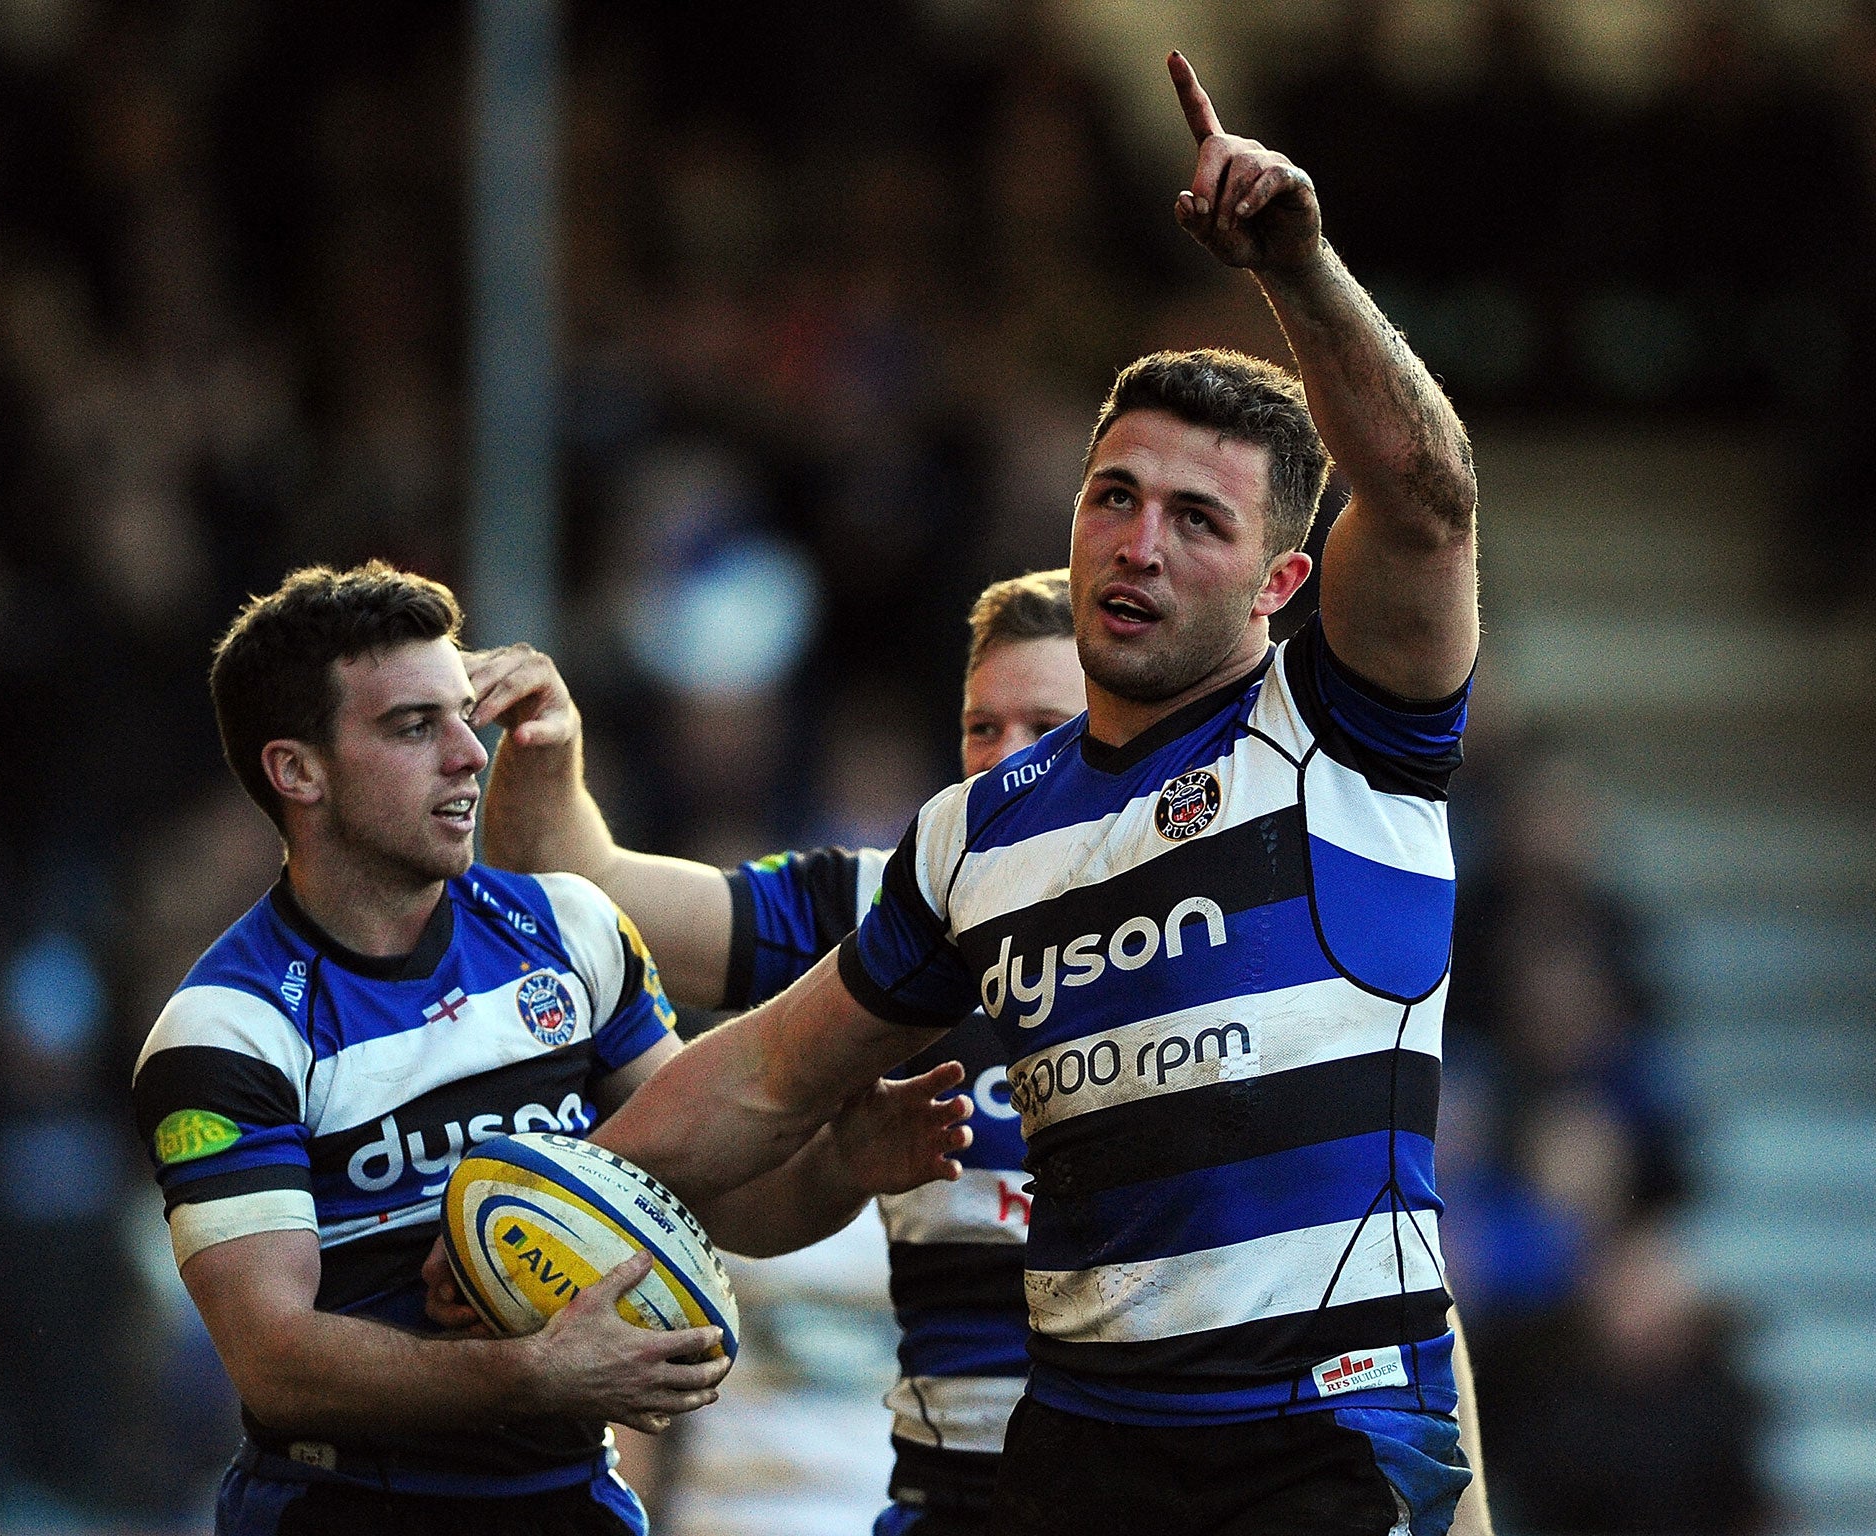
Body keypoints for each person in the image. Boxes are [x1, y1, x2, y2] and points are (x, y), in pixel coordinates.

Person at [582, 54, 1492, 1536]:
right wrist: (537, 1188)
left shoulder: (1350, 731)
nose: (1137, 543)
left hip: (1316, 1445)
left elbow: (1432, 494)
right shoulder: (977, 833)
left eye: (1197, 518)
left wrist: (1302, 271)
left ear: (1283, 584)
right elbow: (761, 1079)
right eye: (1113, 496)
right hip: (1076, 1456)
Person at [130, 562, 971, 1536]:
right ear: (297, 771)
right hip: (346, 1510)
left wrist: (840, 1170)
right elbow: (276, 1364)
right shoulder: (227, 1030)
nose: (467, 756)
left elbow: (716, 1196)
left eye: (463, 718)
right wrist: (532, 1375)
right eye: (413, 727)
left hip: (568, 1498)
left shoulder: (569, 928)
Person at [461, 569, 1087, 1535]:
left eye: (1046, 731)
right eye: (981, 729)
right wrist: (548, 748)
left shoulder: (1227, 925)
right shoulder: (891, 905)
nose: (1005, 766)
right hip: (945, 1506)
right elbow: (578, 889)